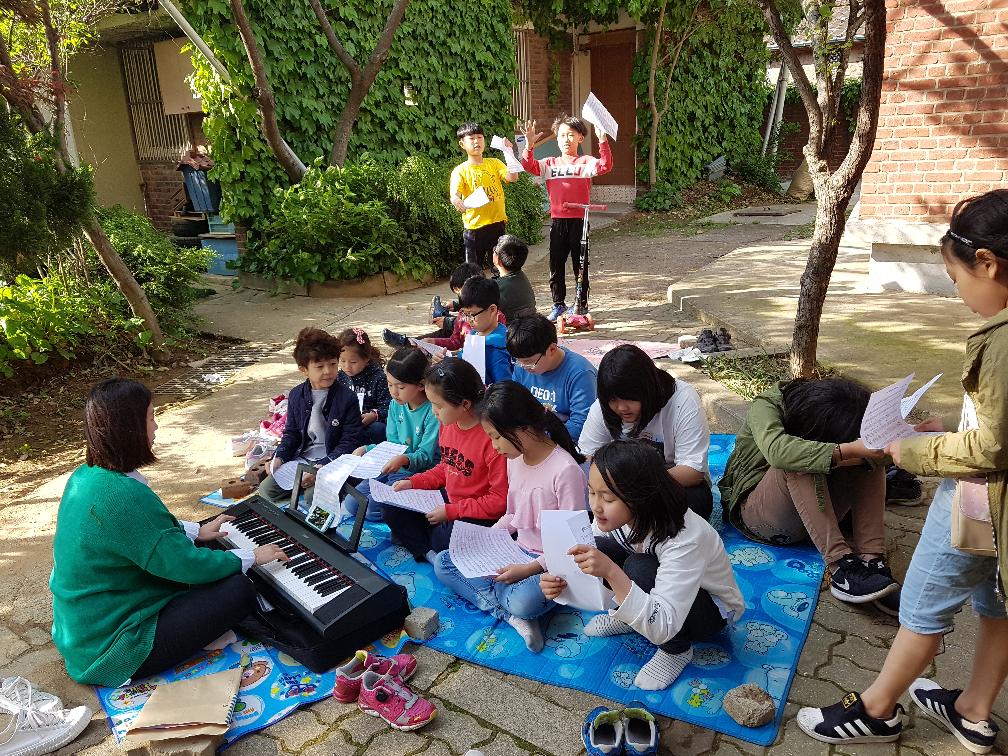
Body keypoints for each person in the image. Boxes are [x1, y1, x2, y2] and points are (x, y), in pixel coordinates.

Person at [797, 189, 1008, 753]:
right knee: (998, 606)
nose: (958, 291)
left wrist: (911, 451)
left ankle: (876, 710)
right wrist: (948, 431)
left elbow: (991, 450)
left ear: (987, 262)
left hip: (977, 503)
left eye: (956, 278)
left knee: (921, 607)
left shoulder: (1002, 341)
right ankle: (974, 711)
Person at [50, 379, 288, 687]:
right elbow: (184, 565)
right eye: (150, 418)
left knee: (211, 555)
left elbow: (144, 532)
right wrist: (251, 556)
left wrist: (196, 531)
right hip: (114, 650)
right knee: (238, 590)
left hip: (85, 635)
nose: (156, 427)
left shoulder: (86, 476)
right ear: (130, 428)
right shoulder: (124, 496)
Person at [541, 440, 744, 690]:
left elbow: (664, 625)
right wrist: (559, 581)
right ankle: (629, 617)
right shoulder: (619, 518)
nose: (595, 506)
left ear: (641, 497)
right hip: (664, 588)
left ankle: (676, 650)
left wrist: (611, 572)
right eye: (592, 492)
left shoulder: (684, 537)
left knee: (637, 567)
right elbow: (585, 556)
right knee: (597, 548)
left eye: (607, 497)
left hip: (710, 611)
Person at [433, 381, 588, 652]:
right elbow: (512, 514)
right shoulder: (514, 458)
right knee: (444, 562)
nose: (493, 446)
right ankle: (512, 615)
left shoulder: (565, 471)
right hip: (515, 551)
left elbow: (572, 545)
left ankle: (514, 609)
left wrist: (528, 569)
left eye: (495, 437)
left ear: (523, 429)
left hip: (548, 565)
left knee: (522, 601)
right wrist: (486, 539)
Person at [718, 378, 898, 608]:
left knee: (870, 458)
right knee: (799, 461)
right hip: (760, 515)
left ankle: (872, 561)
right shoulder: (767, 405)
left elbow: (883, 453)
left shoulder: (832, 407)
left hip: (818, 511)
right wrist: (848, 450)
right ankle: (841, 567)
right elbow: (779, 452)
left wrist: (901, 439)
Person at [383, 358, 508, 562]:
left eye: (438, 406)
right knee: (391, 506)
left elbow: (499, 501)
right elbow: (447, 466)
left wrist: (452, 511)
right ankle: (428, 550)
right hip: (449, 499)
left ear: (465, 404)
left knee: (441, 538)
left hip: (475, 510)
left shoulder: (492, 438)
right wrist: (414, 482)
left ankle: (423, 543)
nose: (433, 411)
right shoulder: (448, 422)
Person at [577, 345, 712, 520]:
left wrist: (635, 488)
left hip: (664, 483)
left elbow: (693, 471)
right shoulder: (602, 408)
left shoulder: (683, 400)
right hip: (617, 487)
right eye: (613, 400)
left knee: (697, 500)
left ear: (648, 388)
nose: (621, 408)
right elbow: (587, 459)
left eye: (629, 398)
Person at [520, 115, 612, 321]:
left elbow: (605, 165)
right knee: (556, 265)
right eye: (562, 135)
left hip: (580, 221)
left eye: (571, 135)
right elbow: (528, 165)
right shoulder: (549, 163)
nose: (566, 139)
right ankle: (558, 304)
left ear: (580, 138)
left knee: (581, 265)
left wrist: (602, 140)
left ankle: (581, 304)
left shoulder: (585, 162)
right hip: (558, 222)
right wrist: (529, 145)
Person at [258, 327, 364, 504]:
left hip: (332, 460)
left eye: (333, 364)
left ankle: (324, 487)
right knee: (266, 490)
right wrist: (279, 457)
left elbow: (350, 441)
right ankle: (304, 485)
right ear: (304, 370)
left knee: (312, 498)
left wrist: (321, 466)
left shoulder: (347, 398)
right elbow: (291, 434)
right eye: (319, 366)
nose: (328, 371)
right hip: (303, 459)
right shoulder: (296, 395)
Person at [342, 346, 440, 522]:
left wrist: (403, 460)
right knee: (352, 502)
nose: (394, 392)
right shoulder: (396, 405)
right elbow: (392, 444)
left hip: (417, 472)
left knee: (372, 510)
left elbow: (426, 456)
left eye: (401, 387)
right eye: (389, 384)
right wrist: (367, 449)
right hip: (392, 465)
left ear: (421, 384)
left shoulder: (433, 412)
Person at [506, 314, 597, 441]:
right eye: (517, 360)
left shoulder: (581, 373)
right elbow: (516, 403)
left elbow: (581, 425)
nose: (523, 366)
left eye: (529, 362)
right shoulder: (522, 364)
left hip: (565, 439)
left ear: (552, 349)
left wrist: (539, 439)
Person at [450, 122, 519, 268]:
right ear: (462, 144)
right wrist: (456, 201)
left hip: (497, 224)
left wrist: (508, 152)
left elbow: (513, 178)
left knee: (500, 267)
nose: (477, 141)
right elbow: (454, 195)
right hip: (474, 228)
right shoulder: (460, 170)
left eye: (480, 137)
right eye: (471, 138)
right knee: (473, 270)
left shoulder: (495, 163)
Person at [384, 263, 483, 348]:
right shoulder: (464, 313)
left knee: (448, 330)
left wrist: (448, 322)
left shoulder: (485, 315)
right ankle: (411, 343)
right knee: (447, 331)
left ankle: (408, 344)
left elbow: (471, 336)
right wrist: (433, 342)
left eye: (461, 295)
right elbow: (455, 341)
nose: (461, 299)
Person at [336, 328, 392, 445]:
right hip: (344, 423)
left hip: (367, 424)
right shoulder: (339, 377)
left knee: (379, 429)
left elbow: (388, 407)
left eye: (353, 362)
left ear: (366, 359)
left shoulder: (378, 378)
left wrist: (374, 415)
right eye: (342, 361)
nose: (347, 367)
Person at [455, 275, 513, 384]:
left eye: (472, 315)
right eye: (465, 314)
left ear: (492, 310)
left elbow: (505, 387)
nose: (468, 320)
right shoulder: (474, 334)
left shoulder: (497, 349)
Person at [492, 234, 537, 323]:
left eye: (495, 250)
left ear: (498, 260)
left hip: (508, 329)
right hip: (529, 326)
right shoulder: (522, 277)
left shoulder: (495, 287)